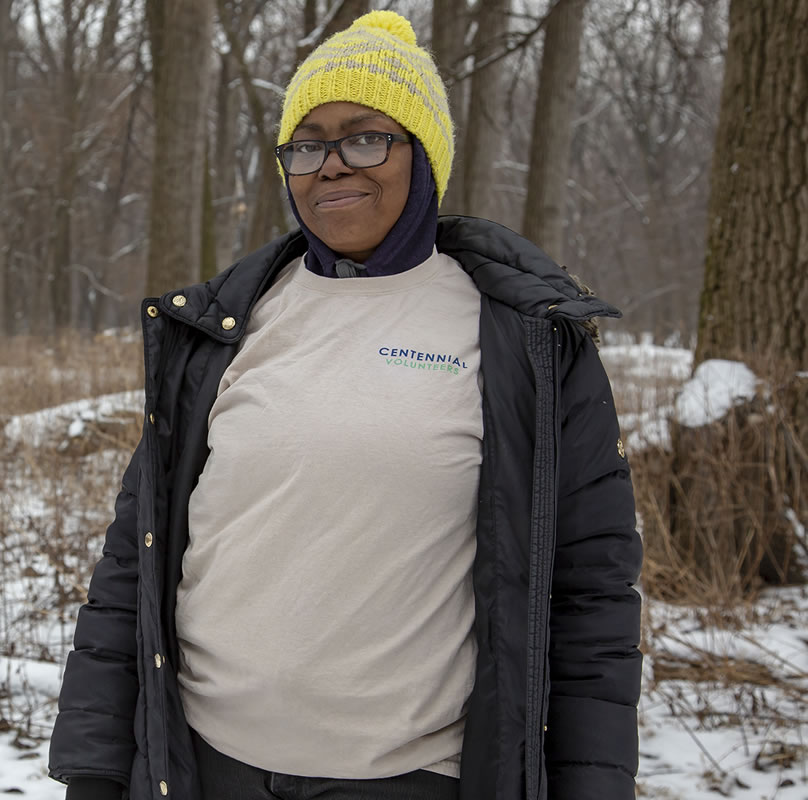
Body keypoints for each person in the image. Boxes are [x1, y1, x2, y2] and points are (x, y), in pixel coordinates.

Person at [48, 10, 642, 800]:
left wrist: (590, 783)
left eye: (366, 138)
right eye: (307, 144)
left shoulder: (524, 340)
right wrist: (93, 767)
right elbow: (134, 560)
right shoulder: (221, 327)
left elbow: (591, 589)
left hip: (407, 778)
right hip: (200, 766)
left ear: (424, 155)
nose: (331, 166)